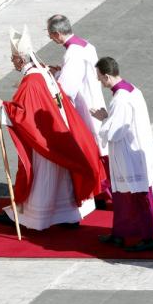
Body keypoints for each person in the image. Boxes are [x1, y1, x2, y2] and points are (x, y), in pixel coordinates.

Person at [0, 26, 106, 230]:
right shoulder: (42, 72)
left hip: (44, 139)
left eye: (13, 57)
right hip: (57, 134)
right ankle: (69, 216)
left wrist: (2, 105)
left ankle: (34, 218)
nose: (11, 61)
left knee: (43, 179)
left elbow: (25, 113)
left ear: (21, 59)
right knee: (61, 181)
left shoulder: (32, 81)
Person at [91, 57, 153, 252]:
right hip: (132, 151)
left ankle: (148, 238)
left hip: (130, 154)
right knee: (121, 196)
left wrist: (104, 119)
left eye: (99, 77)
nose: (99, 81)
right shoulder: (132, 89)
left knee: (138, 196)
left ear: (106, 76)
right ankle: (119, 234)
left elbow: (114, 132)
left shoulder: (120, 99)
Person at [47, 14, 111, 209]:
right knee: (100, 146)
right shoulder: (86, 45)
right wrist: (59, 70)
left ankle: (100, 191)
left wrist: (52, 79)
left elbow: (67, 89)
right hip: (94, 99)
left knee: (91, 148)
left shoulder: (72, 53)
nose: (50, 38)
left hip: (85, 107)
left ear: (58, 34)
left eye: (50, 34)